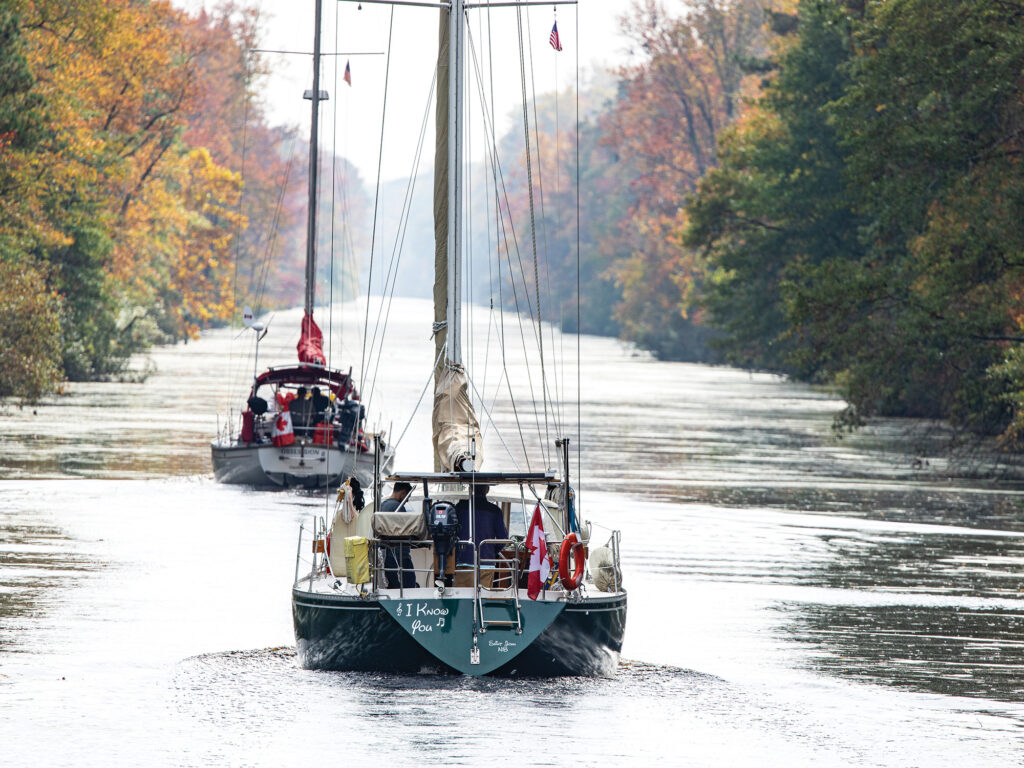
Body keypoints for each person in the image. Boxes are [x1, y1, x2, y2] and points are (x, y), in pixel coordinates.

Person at [454, 485, 508, 588]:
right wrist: (491, 550)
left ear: (472, 488)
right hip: (486, 562)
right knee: (483, 599)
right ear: (487, 490)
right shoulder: (495, 510)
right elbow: (503, 539)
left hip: (464, 560)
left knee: (462, 599)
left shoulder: (461, 507)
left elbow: (452, 533)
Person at [380, 482, 417, 589]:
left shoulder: (383, 505)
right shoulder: (398, 507)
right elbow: (405, 531)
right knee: (409, 584)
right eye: (407, 497)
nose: (407, 500)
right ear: (403, 493)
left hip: (386, 556)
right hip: (400, 556)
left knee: (393, 586)